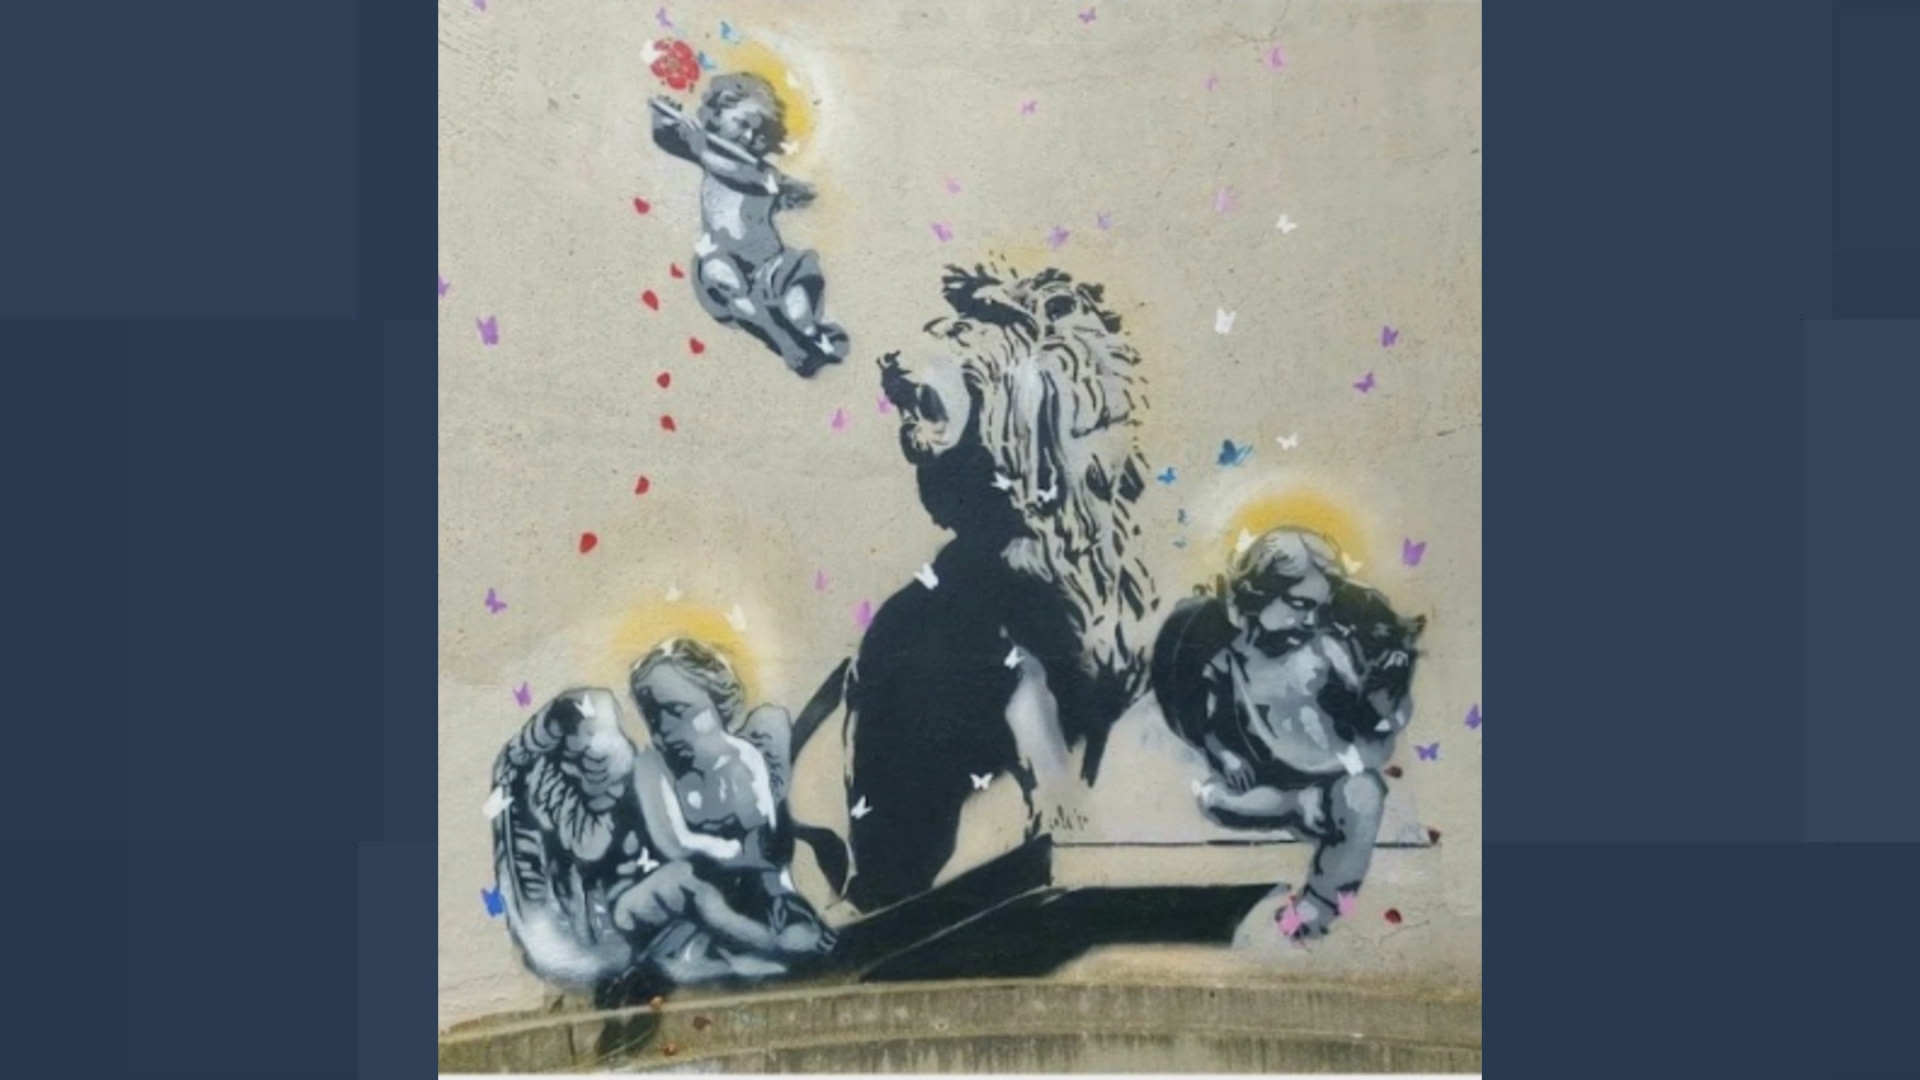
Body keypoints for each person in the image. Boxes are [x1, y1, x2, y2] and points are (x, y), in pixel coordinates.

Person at [1152, 528, 1424, 940]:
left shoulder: (1325, 650)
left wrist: (1384, 689)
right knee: (1213, 799)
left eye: (1318, 608)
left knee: (1364, 795)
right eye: (1299, 605)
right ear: (1258, 594)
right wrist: (1226, 756)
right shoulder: (1230, 658)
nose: (1310, 619)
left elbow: (1363, 709)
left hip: (1332, 774)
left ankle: (1319, 904)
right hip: (1272, 783)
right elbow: (1211, 723)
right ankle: (1298, 807)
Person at [612, 638, 834, 981]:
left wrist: (774, 895)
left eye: (678, 711)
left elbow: (766, 847)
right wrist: (724, 854)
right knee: (681, 891)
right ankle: (761, 950)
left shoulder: (743, 760)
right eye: (653, 716)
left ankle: (759, 949)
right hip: (689, 894)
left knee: (790, 925)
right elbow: (674, 843)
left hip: (751, 891)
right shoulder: (653, 767)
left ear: (717, 702)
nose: (666, 729)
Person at [650, 74, 849, 377]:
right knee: (723, 280)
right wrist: (661, 121)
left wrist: (702, 149)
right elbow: (669, 142)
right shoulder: (708, 151)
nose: (748, 136)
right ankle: (783, 342)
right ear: (717, 116)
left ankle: (812, 334)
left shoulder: (761, 171)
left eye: (759, 134)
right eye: (742, 123)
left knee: (796, 307)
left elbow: (738, 176)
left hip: (769, 261)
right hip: (721, 253)